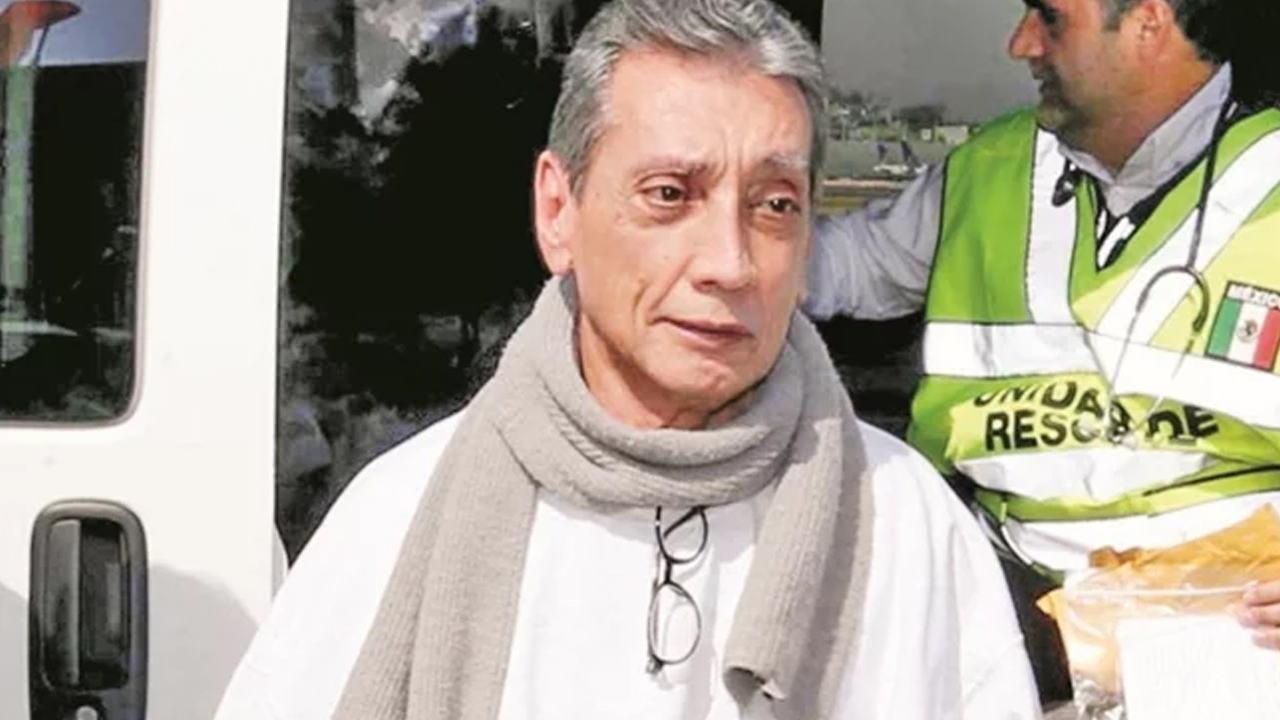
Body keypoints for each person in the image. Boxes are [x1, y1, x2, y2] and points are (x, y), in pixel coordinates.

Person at [212, 1, 1042, 718]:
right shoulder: (396, 519)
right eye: (670, 195)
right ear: (558, 211)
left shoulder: (906, 525)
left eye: (774, 204)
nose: (730, 262)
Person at [802, 0, 1280, 698]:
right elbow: (835, 269)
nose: (1020, 43)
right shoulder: (989, 170)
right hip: (1006, 606)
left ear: (1148, 22)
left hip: (1235, 629)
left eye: (1051, 18)